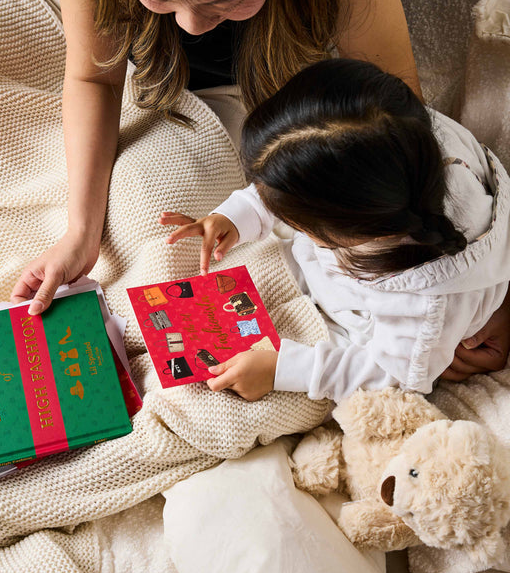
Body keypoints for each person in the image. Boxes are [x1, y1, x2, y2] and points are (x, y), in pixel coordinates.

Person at [11, 0, 509, 378]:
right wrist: (82, 230)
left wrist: (285, 372)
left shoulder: (420, 314)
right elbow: (93, 79)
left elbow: (388, 375)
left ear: (358, 225)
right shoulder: (388, 154)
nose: (188, 24)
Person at [160, 58, 510, 402]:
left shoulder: (425, 306)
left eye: (295, 218)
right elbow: (307, 174)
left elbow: (395, 378)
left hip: (371, 327)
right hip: (352, 272)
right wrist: (238, 214)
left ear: (354, 229)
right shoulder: (404, 137)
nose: (274, 209)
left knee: (235, 380)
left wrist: (284, 371)